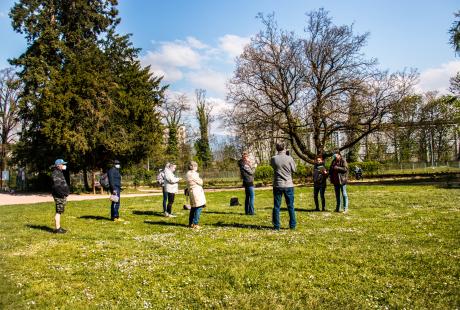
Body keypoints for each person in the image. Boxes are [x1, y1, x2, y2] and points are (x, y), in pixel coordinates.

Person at [270, 142, 297, 230]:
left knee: (276, 206)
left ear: (277, 149)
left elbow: (274, 167)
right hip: (288, 184)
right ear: (284, 148)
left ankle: (276, 226)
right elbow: (294, 170)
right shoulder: (289, 158)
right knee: (290, 206)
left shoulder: (273, 158)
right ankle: (292, 225)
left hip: (278, 184)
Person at [185, 161, 206, 229]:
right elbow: (201, 182)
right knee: (199, 207)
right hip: (196, 192)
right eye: (196, 166)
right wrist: (200, 180)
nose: (197, 168)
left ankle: (190, 223)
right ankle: (195, 224)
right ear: (193, 167)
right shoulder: (193, 174)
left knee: (193, 208)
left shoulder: (188, 173)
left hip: (192, 191)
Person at [51, 159, 70, 234]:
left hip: (61, 195)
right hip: (59, 195)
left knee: (60, 211)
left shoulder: (59, 172)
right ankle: (57, 229)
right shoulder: (55, 173)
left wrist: (66, 192)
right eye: (62, 164)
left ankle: (58, 227)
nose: (63, 165)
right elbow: (57, 186)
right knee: (58, 211)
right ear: (58, 165)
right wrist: (63, 194)